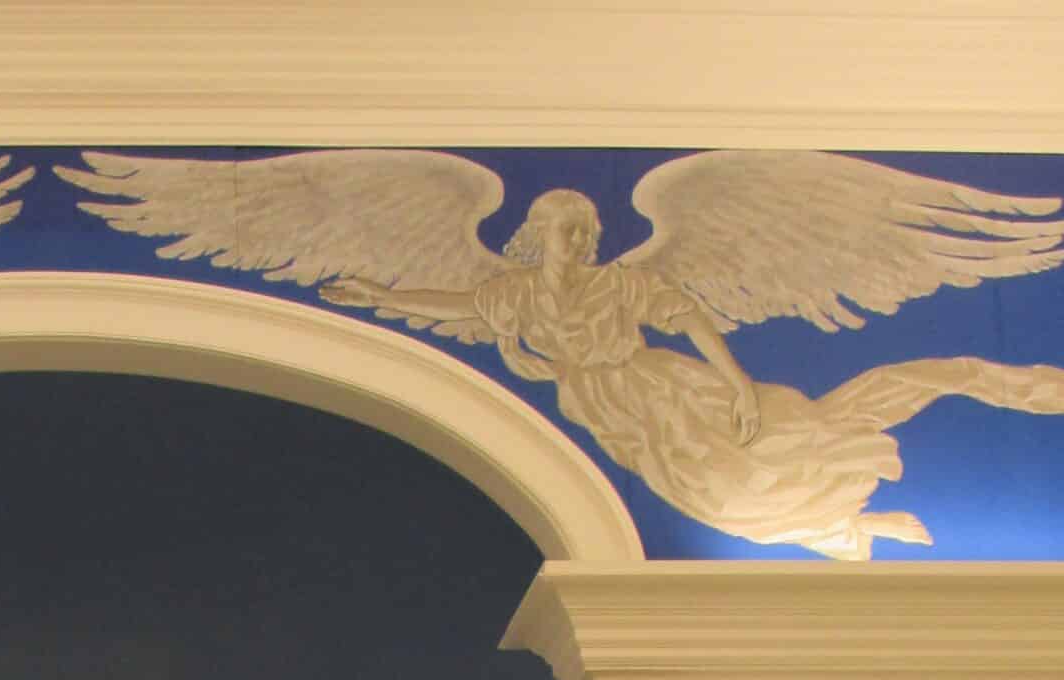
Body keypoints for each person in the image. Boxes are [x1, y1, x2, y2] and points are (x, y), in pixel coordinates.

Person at [325, 187, 1064, 561]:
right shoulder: (515, 294)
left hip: (660, 387)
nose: (577, 239)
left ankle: (972, 385)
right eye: (563, 230)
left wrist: (739, 386)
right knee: (716, 502)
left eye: (584, 230)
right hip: (608, 410)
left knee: (773, 455)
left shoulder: (620, 285)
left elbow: (691, 321)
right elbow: (460, 303)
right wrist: (382, 295)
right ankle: (844, 529)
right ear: (538, 235)